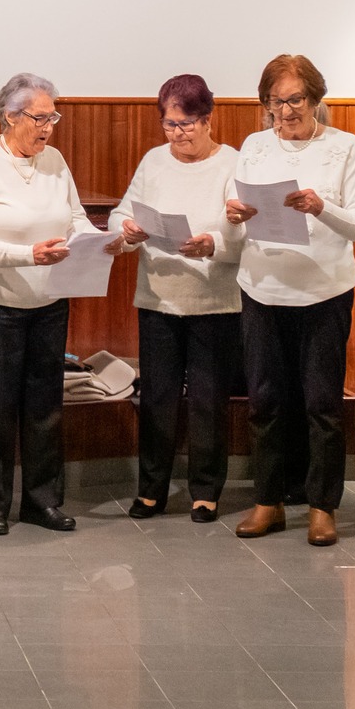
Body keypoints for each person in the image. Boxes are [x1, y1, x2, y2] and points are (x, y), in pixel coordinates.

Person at [0, 72, 112, 536]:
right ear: (10, 116)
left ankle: (42, 502)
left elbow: (76, 219)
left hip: (49, 300)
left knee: (45, 403)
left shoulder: (55, 161)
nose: (47, 128)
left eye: (52, 118)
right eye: (39, 118)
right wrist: (28, 255)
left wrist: (105, 241)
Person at [226, 54, 355, 549]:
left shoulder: (343, 146)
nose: (285, 112)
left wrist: (321, 207)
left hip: (323, 292)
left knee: (322, 403)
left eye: (295, 100)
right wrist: (234, 215)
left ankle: (321, 506)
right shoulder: (254, 146)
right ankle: (268, 501)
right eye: (275, 102)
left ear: (315, 99)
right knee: (265, 400)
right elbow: (235, 219)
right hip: (262, 287)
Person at [112, 74, 241, 522]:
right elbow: (122, 211)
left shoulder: (233, 164)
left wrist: (213, 245)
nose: (177, 134)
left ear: (207, 119)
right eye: (169, 125)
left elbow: (247, 234)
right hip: (159, 297)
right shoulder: (154, 161)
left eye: (186, 124)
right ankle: (151, 489)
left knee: (208, 400)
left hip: (214, 301)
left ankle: (205, 490)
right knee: (157, 398)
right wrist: (127, 230)